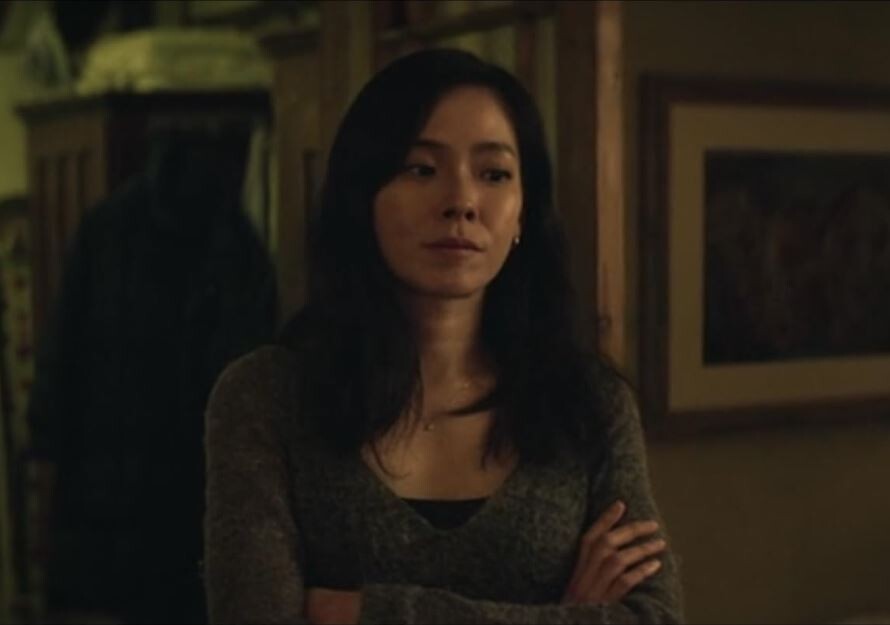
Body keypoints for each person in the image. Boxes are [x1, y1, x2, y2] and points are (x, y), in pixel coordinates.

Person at [204, 48, 683, 624]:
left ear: (523, 212)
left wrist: (362, 614)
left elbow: (655, 619)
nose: (461, 202)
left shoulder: (590, 404)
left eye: (494, 174)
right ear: (363, 195)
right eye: (421, 169)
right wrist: (563, 616)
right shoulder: (266, 396)